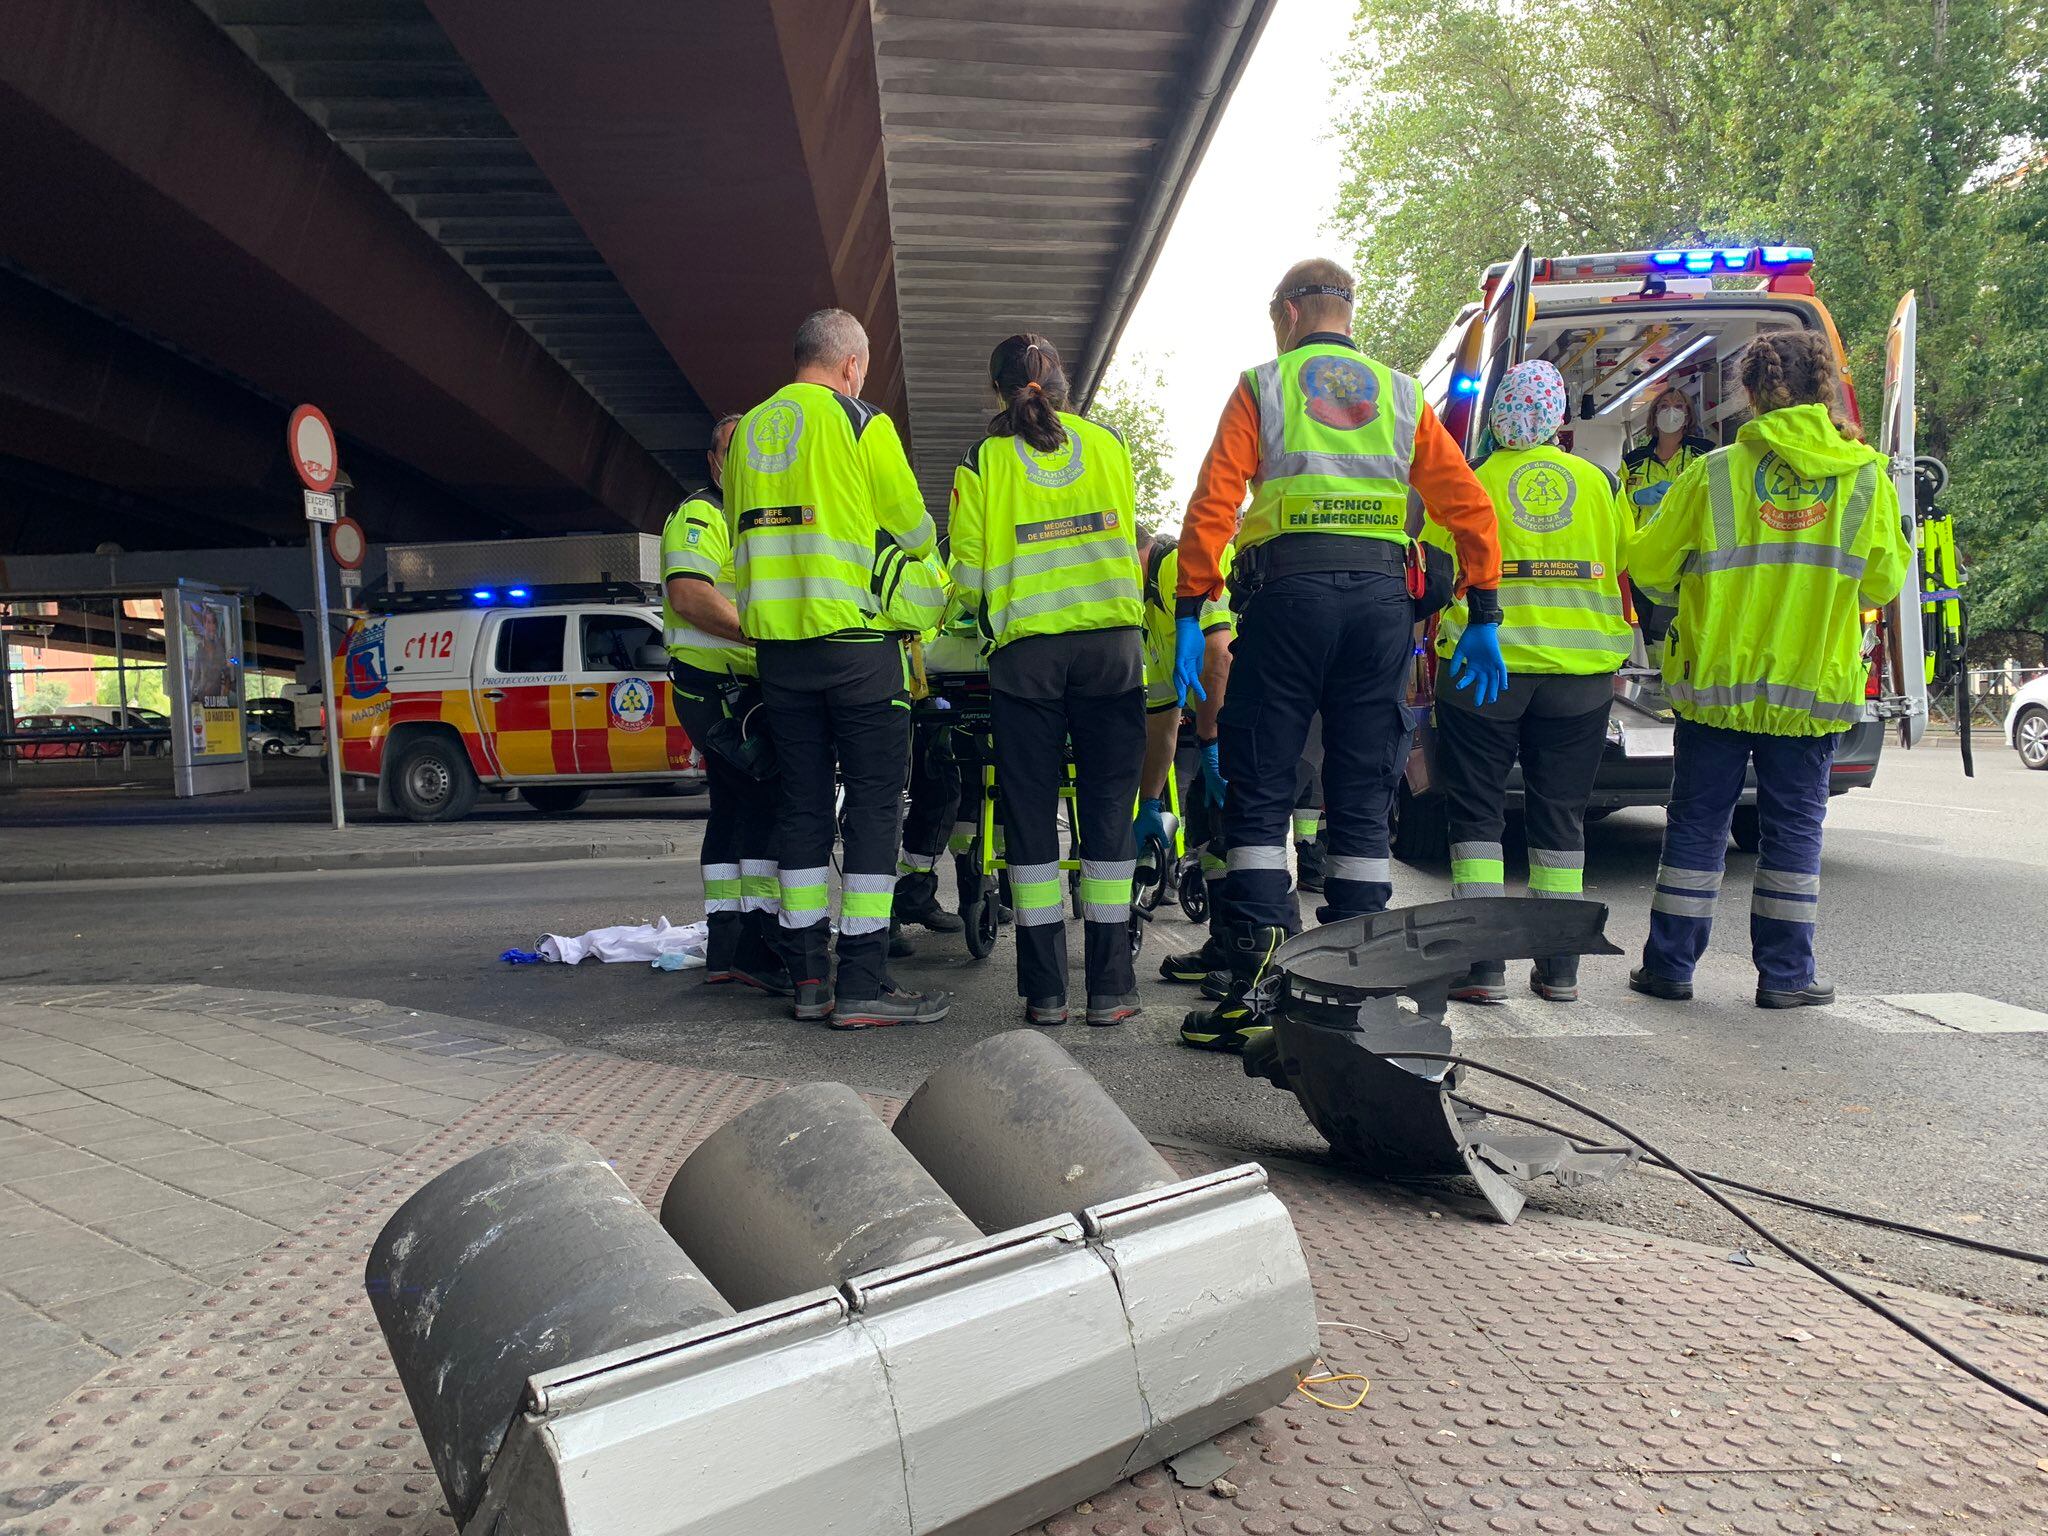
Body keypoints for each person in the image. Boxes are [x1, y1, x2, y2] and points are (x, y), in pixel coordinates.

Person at [1174, 258, 1506, 1053]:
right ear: (1346, 313)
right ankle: (1349, 999)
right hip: (1382, 609)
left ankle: (1255, 992)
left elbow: (1214, 501)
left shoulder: (1263, 386)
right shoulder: (1399, 395)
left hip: (1288, 599)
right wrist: (1485, 609)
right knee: (1361, 796)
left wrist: (1192, 607)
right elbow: (1468, 503)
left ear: (1288, 314)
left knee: (1260, 792)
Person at [1627, 330, 1909, 1008]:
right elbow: (1881, 584)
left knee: (1696, 826)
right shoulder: (1865, 475)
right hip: (1809, 688)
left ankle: (1670, 968)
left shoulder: (1713, 472)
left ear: (1747, 394)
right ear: (1826, 391)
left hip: (1716, 686)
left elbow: (1649, 564)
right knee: (1793, 835)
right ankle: (1785, 977)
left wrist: (1689, 595)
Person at [723, 308, 951, 1029]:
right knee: (878, 809)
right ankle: (862, 981)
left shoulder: (748, 432)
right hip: (858, 652)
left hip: (780, 658)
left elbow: (741, 538)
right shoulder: (860, 422)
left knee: (803, 809)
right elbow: (914, 529)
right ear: (851, 365)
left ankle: (809, 978)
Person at [948, 333, 1146, 1026]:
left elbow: (968, 576)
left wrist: (963, 625)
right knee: (1107, 815)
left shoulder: (982, 461)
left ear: (996, 392)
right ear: (1062, 387)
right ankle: (1112, 990)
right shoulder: (1109, 443)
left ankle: (1045, 994)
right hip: (1113, 651)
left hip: (1026, 660)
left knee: (1030, 820)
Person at [1423, 361, 1634, 1004]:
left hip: (1484, 673)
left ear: (1498, 415)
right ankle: (1560, 967)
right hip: (1580, 677)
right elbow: (1626, 561)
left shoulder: (1469, 480)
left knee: (1479, 817)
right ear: (1560, 419)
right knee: (1560, 817)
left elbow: (1435, 573)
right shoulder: (1598, 482)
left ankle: (1483, 968)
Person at [661, 412, 791, 994]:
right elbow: (689, 594)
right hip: (717, 689)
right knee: (763, 802)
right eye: (732, 453)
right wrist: (761, 636)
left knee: (732, 809)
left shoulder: (753, 521)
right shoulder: (702, 515)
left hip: (737, 689)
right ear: (715, 462)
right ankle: (756, 947)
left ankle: (725, 944)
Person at [1138, 535, 1233, 984]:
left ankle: (1253, 956)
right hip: (1221, 721)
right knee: (1205, 821)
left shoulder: (1177, 565)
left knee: (1242, 832)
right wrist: (1150, 803)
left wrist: (1211, 745)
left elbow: (1219, 656)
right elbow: (1162, 720)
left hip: (1246, 713)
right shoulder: (1149, 610)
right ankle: (1229, 944)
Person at [1620, 385, 1715, 528]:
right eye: (1664, 406)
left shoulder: (1705, 453)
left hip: (1689, 546)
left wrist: (1685, 494)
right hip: (1645, 546)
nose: (1671, 411)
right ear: (1655, 416)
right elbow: (1614, 509)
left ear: (1687, 417)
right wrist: (1634, 499)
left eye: (1678, 406)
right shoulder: (1632, 462)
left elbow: (1717, 499)